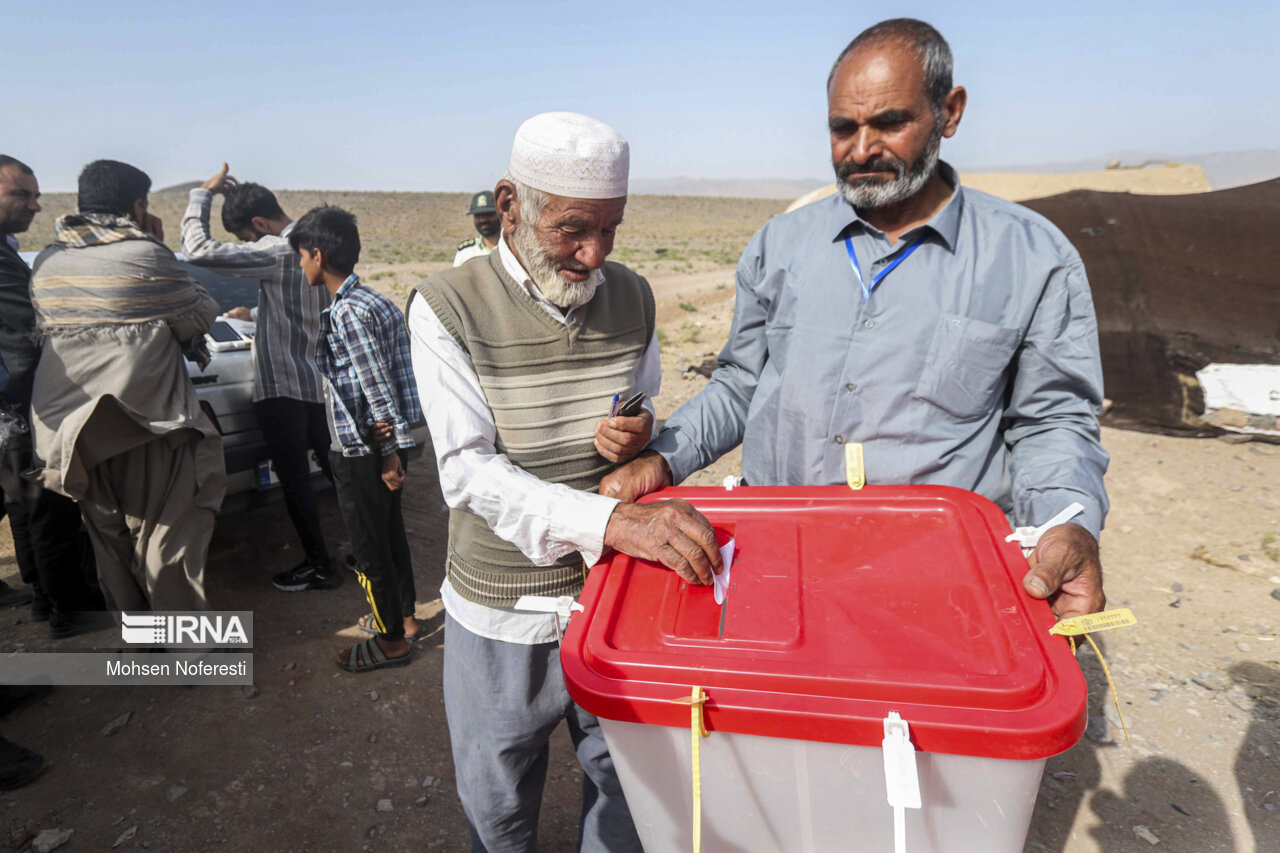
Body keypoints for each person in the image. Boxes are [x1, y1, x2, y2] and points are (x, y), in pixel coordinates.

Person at [602, 18, 1110, 620]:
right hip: (778, 564)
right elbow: (741, 385)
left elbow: (1052, 421)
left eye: (890, 122)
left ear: (949, 112)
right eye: (844, 128)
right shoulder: (781, 245)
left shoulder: (1031, 258)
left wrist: (1067, 527)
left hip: (937, 583)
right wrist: (660, 459)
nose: (862, 148)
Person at [408, 111, 720, 853]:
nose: (594, 252)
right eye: (573, 229)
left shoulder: (634, 297)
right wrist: (611, 523)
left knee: (623, 788)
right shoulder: (445, 306)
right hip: (503, 607)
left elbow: (637, 399)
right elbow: (468, 472)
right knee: (499, 801)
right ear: (510, 203)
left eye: (611, 229)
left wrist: (635, 433)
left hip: (612, 601)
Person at [29, 159, 225, 612]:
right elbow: (197, 314)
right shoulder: (144, 255)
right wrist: (155, 243)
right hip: (143, 422)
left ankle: (140, 643)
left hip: (70, 434)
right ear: (137, 206)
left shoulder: (46, 262)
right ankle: (185, 648)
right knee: (166, 535)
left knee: (109, 542)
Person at [180, 164, 339, 591]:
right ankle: (362, 553)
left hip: (282, 390)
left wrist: (202, 194)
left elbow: (197, 250)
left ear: (257, 224)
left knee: (295, 484)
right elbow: (301, 307)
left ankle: (320, 565)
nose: (247, 246)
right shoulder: (319, 247)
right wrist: (253, 313)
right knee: (337, 476)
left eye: (245, 239)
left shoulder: (274, 249)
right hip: (322, 387)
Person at [290, 205, 424, 672]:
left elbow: (375, 383)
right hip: (383, 444)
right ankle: (403, 618)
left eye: (301, 257)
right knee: (389, 534)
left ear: (318, 254)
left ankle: (390, 641)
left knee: (368, 546)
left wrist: (386, 453)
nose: (300, 266)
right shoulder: (375, 300)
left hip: (361, 449)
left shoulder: (346, 311)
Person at [0, 155, 104, 635]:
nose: (35, 205)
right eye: (21, 194)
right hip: (23, 401)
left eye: (36, 195)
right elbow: (32, 329)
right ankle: (72, 609)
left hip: (11, 409)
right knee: (50, 503)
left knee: (25, 504)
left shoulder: (7, 249)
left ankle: (46, 598)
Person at [451, 190, 501, 267]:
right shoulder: (465, 252)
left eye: (488, 214)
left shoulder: (513, 249)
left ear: (500, 214)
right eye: (478, 215)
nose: (483, 220)